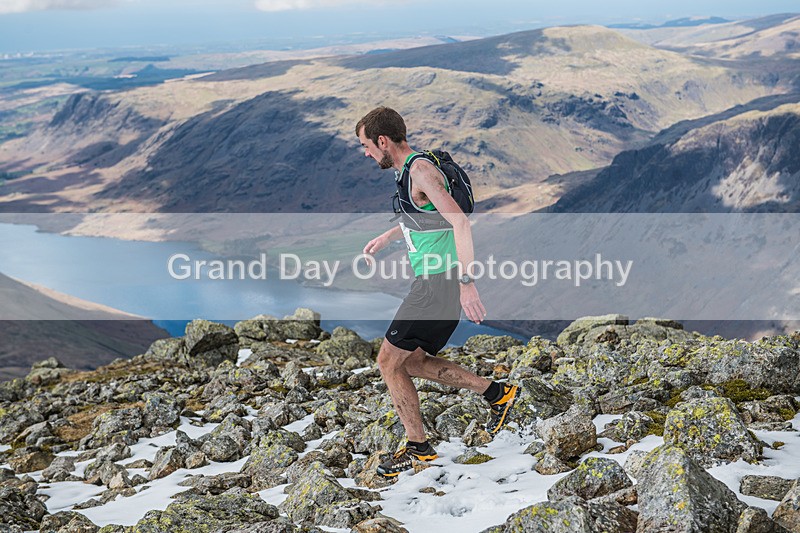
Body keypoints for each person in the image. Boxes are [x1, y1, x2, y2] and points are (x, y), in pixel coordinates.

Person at [355, 106, 519, 478]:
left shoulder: (421, 172)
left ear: (383, 141)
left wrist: (467, 284)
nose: (365, 154)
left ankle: (418, 448)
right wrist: (388, 236)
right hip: (432, 283)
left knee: (387, 361)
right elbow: (424, 218)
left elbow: (459, 221)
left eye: (366, 145)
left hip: (439, 284)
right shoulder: (409, 169)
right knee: (411, 362)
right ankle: (498, 394)